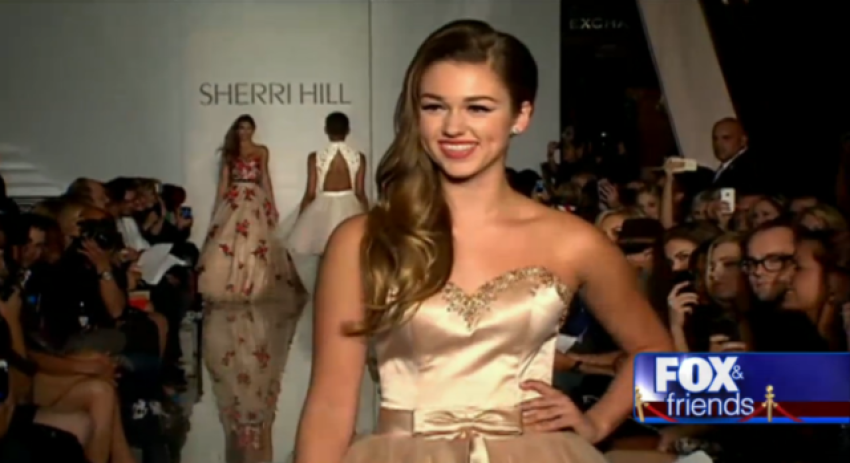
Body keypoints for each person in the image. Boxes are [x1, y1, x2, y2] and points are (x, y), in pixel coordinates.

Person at [294, 20, 672, 463]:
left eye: (478, 108)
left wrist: (597, 422)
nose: (454, 127)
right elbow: (330, 406)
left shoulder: (573, 242)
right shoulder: (362, 241)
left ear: (521, 115)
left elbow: (654, 349)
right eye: (435, 106)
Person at [197, 114, 305, 304]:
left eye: (248, 128)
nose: (245, 132)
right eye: (241, 128)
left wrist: (271, 204)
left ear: (254, 130)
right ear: (236, 130)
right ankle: (232, 285)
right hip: (235, 196)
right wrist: (217, 207)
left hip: (254, 196)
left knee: (256, 241)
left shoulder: (261, 151)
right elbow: (224, 181)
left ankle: (253, 285)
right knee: (230, 241)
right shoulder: (230, 152)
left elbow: (264, 177)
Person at [286, 112, 368, 256]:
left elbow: (310, 193)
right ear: (348, 130)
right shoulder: (359, 157)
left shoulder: (315, 157)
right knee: (349, 252)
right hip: (350, 208)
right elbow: (360, 193)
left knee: (325, 254)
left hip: (322, 208)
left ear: (326, 130)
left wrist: (300, 221)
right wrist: (368, 219)